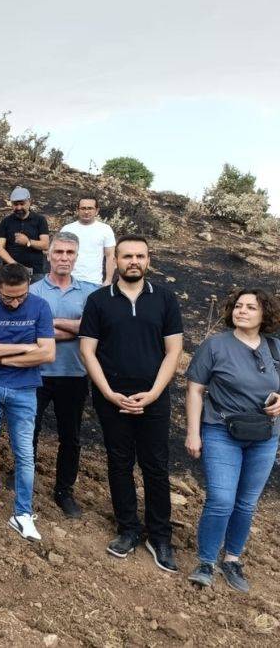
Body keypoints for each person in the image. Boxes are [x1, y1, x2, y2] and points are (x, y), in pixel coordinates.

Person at [79, 235, 184, 572]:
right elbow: (87, 351)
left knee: (156, 466)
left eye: (140, 256)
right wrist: (108, 392)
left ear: (148, 260)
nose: (133, 261)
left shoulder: (165, 299)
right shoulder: (98, 301)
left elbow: (173, 352)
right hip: (112, 398)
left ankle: (159, 536)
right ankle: (127, 529)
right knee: (119, 464)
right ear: (117, 261)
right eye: (127, 256)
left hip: (154, 398)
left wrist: (153, 393)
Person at [185, 288, 280, 592]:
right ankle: (206, 561)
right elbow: (195, 390)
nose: (242, 311)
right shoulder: (215, 346)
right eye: (238, 306)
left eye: (251, 307)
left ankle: (233, 559)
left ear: (264, 314)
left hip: (265, 436)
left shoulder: (275, 349)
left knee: (246, 502)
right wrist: (193, 432)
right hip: (222, 431)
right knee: (222, 499)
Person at [0, 263, 55, 540]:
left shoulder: (40, 306)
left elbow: (47, 354)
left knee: (25, 452)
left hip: (25, 389)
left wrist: (3, 357)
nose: (16, 302)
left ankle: (23, 513)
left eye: (21, 296)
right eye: (8, 297)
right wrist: (25, 347)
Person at [28, 232, 98, 518]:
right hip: (37, 373)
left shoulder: (90, 292)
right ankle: (23, 477)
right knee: (27, 430)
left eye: (70, 253)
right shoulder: (33, 291)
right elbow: (29, 331)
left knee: (71, 437)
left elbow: (93, 330)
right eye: (59, 252)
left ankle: (64, 490)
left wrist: (51, 323)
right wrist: (74, 328)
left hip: (74, 373)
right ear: (49, 254)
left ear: (77, 257)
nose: (64, 258)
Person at [0, 187, 49, 281]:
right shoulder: (6, 222)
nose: (19, 207)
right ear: (11, 204)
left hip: (35, 272)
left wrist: (28, 242)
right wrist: (16, 266)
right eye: (15, 204)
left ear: (29, 202)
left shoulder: (40, 220)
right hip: (10, 271)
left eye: (22, 204)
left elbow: (45, 244)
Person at [60, 197, 116, 286]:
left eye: (90, 208)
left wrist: (108, 280)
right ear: (77, 210)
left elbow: (110, 256)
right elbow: (58, 254)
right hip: (68, 282)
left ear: (97, 210)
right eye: (83, 208)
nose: (86, 212)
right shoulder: (67, 229)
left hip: (94, 282)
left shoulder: (105, 229)